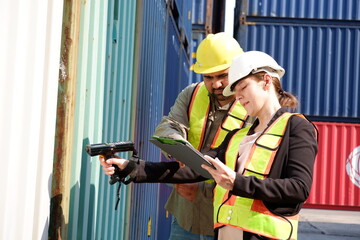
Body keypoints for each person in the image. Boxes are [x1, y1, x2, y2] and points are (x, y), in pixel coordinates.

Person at [100, 51, 318, 240]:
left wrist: (236, 182)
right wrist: (133, 168)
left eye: (243, 87)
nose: (239, 97)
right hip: (226, 233)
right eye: (236, 92)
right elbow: (196, 167)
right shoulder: (237, 136)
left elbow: (299, 188)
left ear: (266, 80)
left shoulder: (296, 127)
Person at [149, 32, 250, 239]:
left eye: (223, 75)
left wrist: (200, 188)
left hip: (226, 219)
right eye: (208, 77)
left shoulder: (251, 105)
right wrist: (179, 149)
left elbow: (252, 169)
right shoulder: (191, 94)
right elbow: (168, 127)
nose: (216, 84)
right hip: (186, 216)